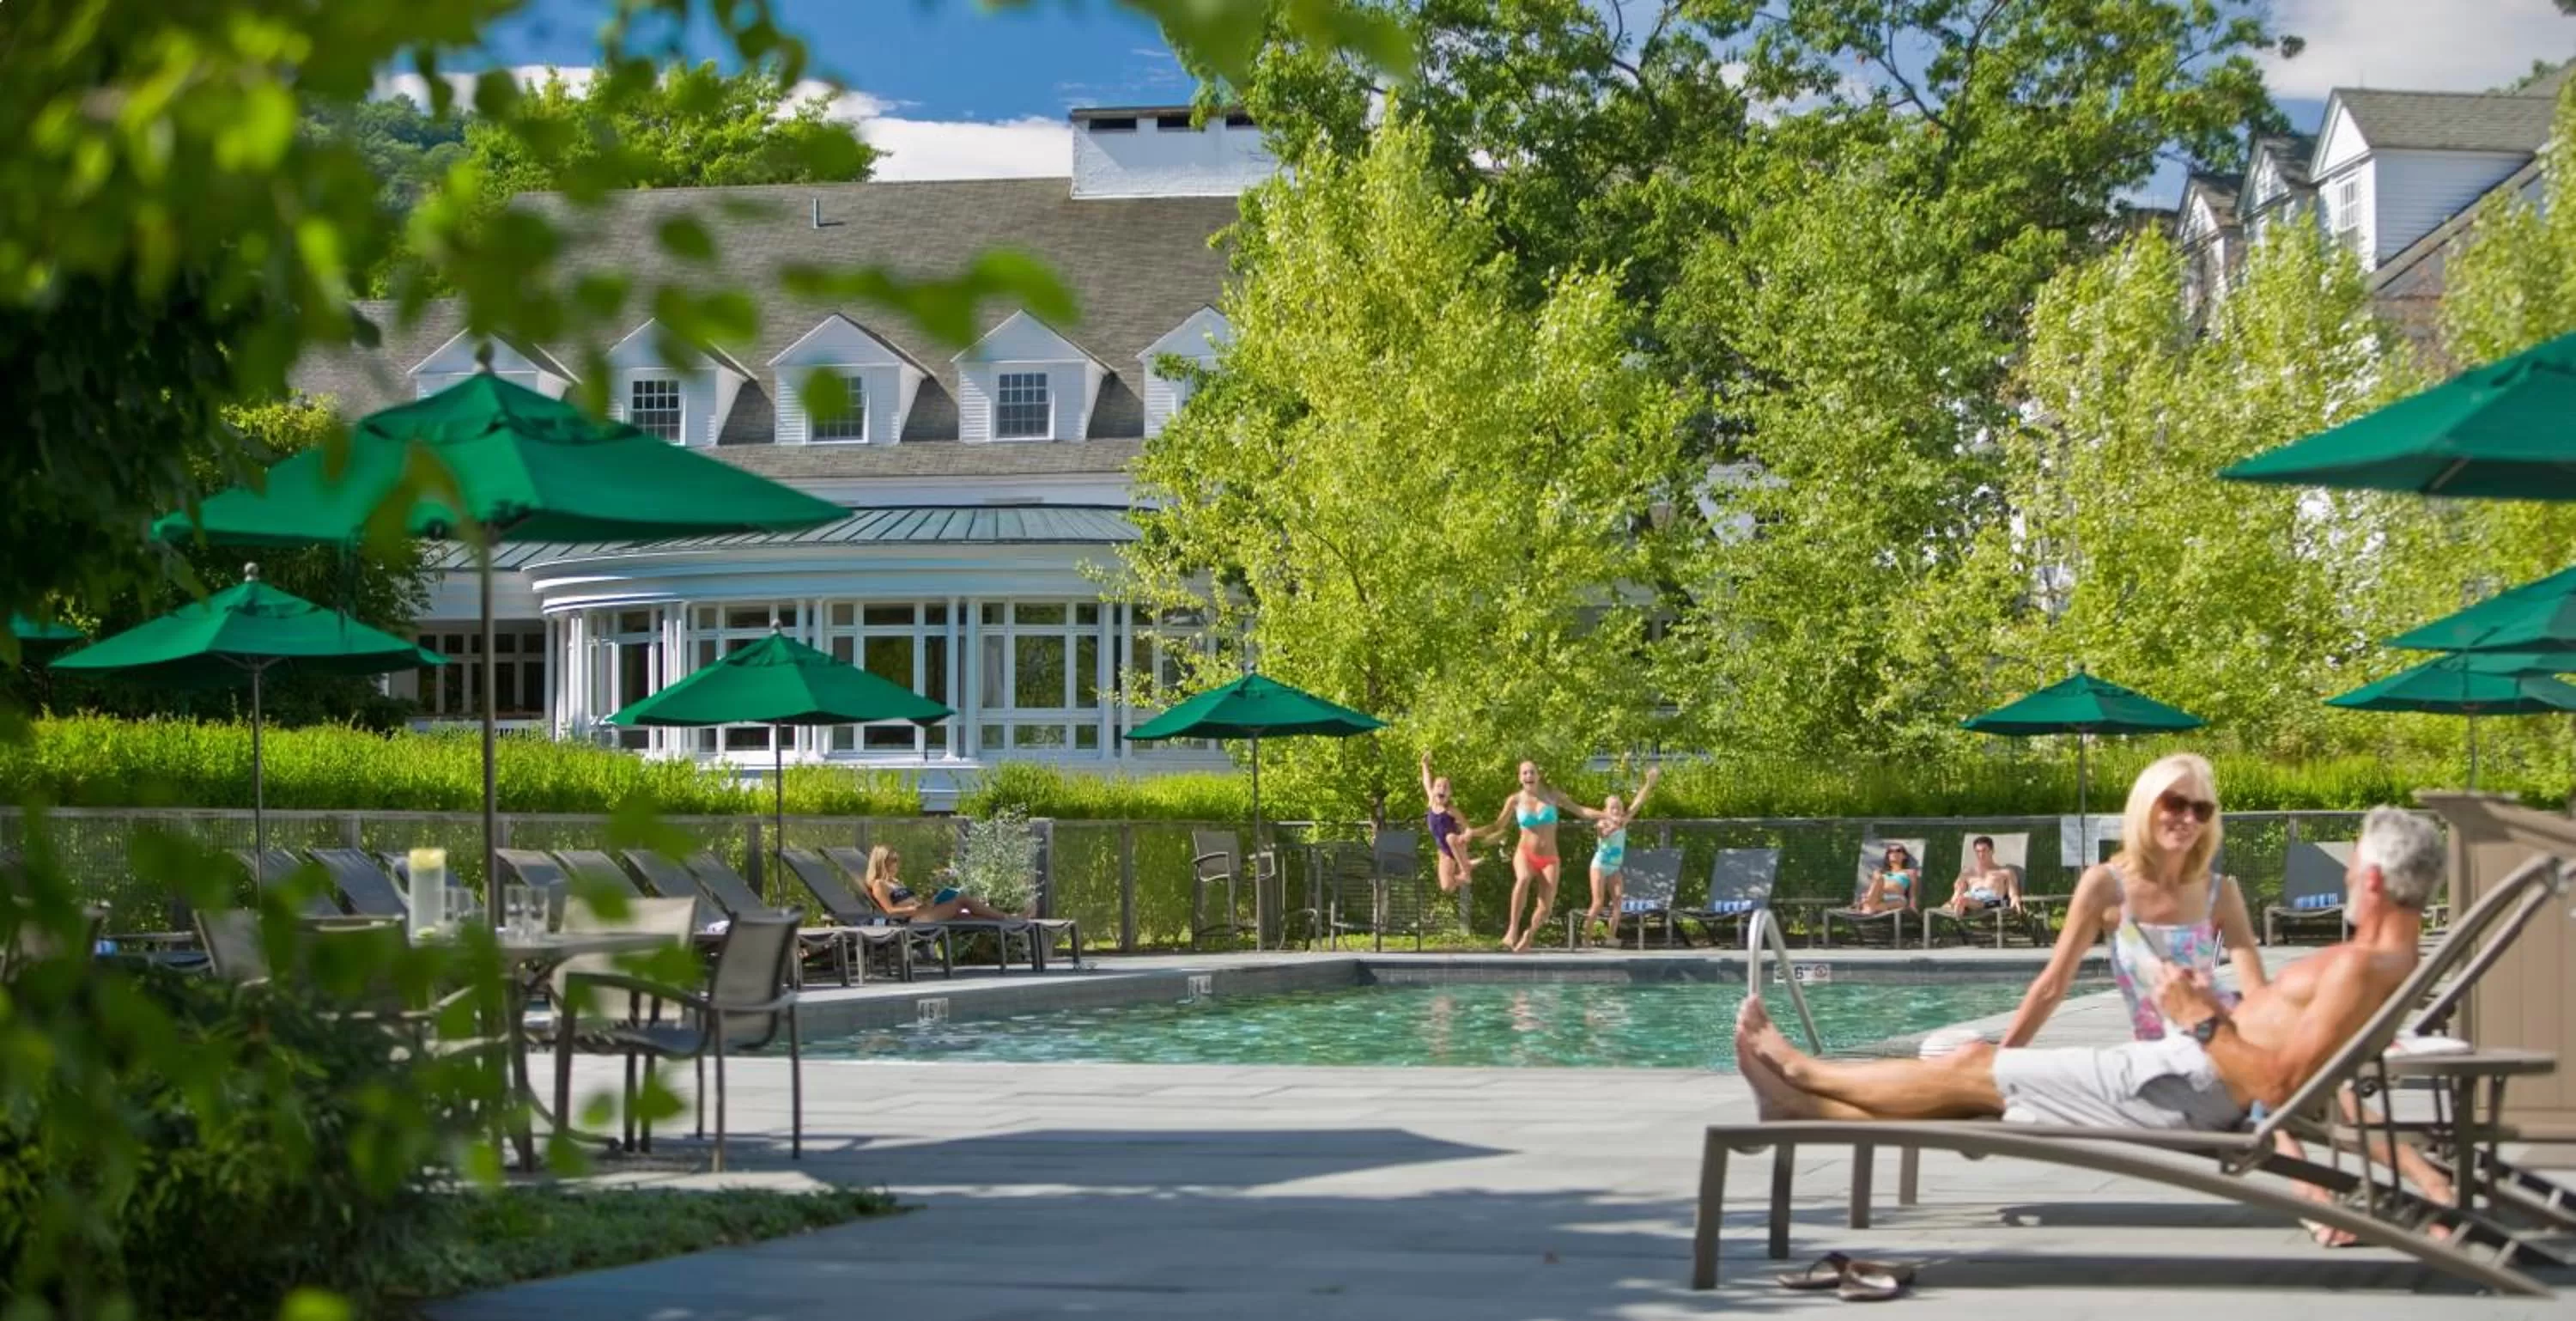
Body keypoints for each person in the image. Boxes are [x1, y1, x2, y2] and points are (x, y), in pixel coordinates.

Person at [1732, 805, 2443, 1138]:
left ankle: (1803, 1071)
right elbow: (2313, 1075)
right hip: (2181, 1073)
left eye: (2353, 864)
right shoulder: (2390, 963)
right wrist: (2423, 1182)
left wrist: (2200, 1019)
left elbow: (2282, 1086)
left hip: (2183, 1084)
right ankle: (1803, 1106)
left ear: (2372, 880)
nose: (2345, 875)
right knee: (1974, 1082)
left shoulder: (2358, 968)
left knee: (1974, 1067)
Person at [1995, 754, 2265, 1050]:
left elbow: (2258, 996)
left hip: (2219, 1046)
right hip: (2154, 1056)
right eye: (2175, 804)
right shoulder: (2106, 886)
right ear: (2145, 806)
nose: (2189, 819)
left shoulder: (2219, 892)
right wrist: (1997, 1063)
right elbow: (2052, 986)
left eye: (2201, 810)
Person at [1481, 759, 1601, 953]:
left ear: (1538, 775)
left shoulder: (1552, 796)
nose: (1529, 776)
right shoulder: (1515, 800)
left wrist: (1606, 815)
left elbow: (1581, 811)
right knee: (1523, 879)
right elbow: (1497, 825)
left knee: (1546, 907)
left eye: (1532, 772)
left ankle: (1529, 935)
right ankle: (1512, 930)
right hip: (1525, 853)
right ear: (1520, 778)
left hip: (1549, 858)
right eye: (1525, 773)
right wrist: (1474, 834)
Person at [1580, 765, 1662, 947]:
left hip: (1614, 867)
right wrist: (1612, 826)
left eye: (1619, 808)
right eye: (1613, 808)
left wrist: (1649, 783)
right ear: (1606, 810)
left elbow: (1638, 802)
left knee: (1618, 901)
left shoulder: (1624, 821)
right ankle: (1586, 937)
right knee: (1598, 902)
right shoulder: (1602, 822)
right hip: (1600, 865)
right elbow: (1602, 834)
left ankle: (1610, 936)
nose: (1616, 811)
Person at [860, 844, 1019, 922]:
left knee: (962, 916)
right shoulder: (879, 884)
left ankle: (1004, 922)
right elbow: (889, 911)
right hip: (913, 920)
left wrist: (927, 901)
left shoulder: (896, 882)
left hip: (924, 911)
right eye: (894, 860)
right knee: (961, 900)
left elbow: (910, 901)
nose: (897, 863)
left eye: (897, 859)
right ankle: (1007, 918)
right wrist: (912, 909)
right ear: (882, 862)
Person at [1419, 751, 1485, 903]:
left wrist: (1465, 836)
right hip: (1444, 851)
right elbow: (1426, 782)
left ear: (1450, 793)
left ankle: (1465, 868)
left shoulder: (1451, 810)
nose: (1441, 789)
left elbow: (1468, 828)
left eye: (1445, 787)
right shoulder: (1431, 802)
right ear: (1434, 791)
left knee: (1450, 837)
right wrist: (1424, 765)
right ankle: (1465, 872)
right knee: (1447, 887)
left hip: (1457, 844)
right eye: (1438, 786)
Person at [1941, 835, 2023, 914]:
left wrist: (2015, 899)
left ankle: (1958, 915)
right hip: (1971, 899)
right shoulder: (1967, 873)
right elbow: (1957, 894)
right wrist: (1953, 901)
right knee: (1959, 901)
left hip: (1994, 903)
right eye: (1978, 851)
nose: (1981, 855)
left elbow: (2013, 894)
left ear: (1992, 851)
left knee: (1962, 901)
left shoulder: (2006, 872)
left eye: (1984, 850)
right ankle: (1957, 913)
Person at [1856, 843, 1920, 915]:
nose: (1894, 853)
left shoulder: (1910, 872)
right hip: (1878, 896)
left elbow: (1912, 894)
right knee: (1878, 877)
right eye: (1890, 851)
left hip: (1896, 898)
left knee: (1900, 902)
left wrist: (1913, 907)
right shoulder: (1881, 873)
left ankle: (1867, 908)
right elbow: (1872, 888)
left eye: (1898, 851)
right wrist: (1866, 896)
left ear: (1904, 856)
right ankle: (1869, 907)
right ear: (1888, 856)